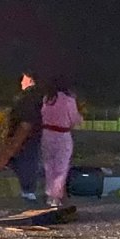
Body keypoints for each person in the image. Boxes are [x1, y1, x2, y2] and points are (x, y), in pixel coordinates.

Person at [0, 71, 43, 201]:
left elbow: (25, 124)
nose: (21, 82)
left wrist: (10, 149)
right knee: (29, 163)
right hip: (31, 139)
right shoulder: (38, 97)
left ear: (30, 80)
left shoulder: (27, 99)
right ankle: (28, 191)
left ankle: (27, 193)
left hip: (25, 141)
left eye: (23, 79)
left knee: (26, 164)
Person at [39, 73, 82, 208]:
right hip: (62, 135)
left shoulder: (47, 99)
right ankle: (55, 196)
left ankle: (49, 194)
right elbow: (75, 119)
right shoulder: (69, 100)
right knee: (61, 167)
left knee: (49, 165)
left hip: (47, 134)